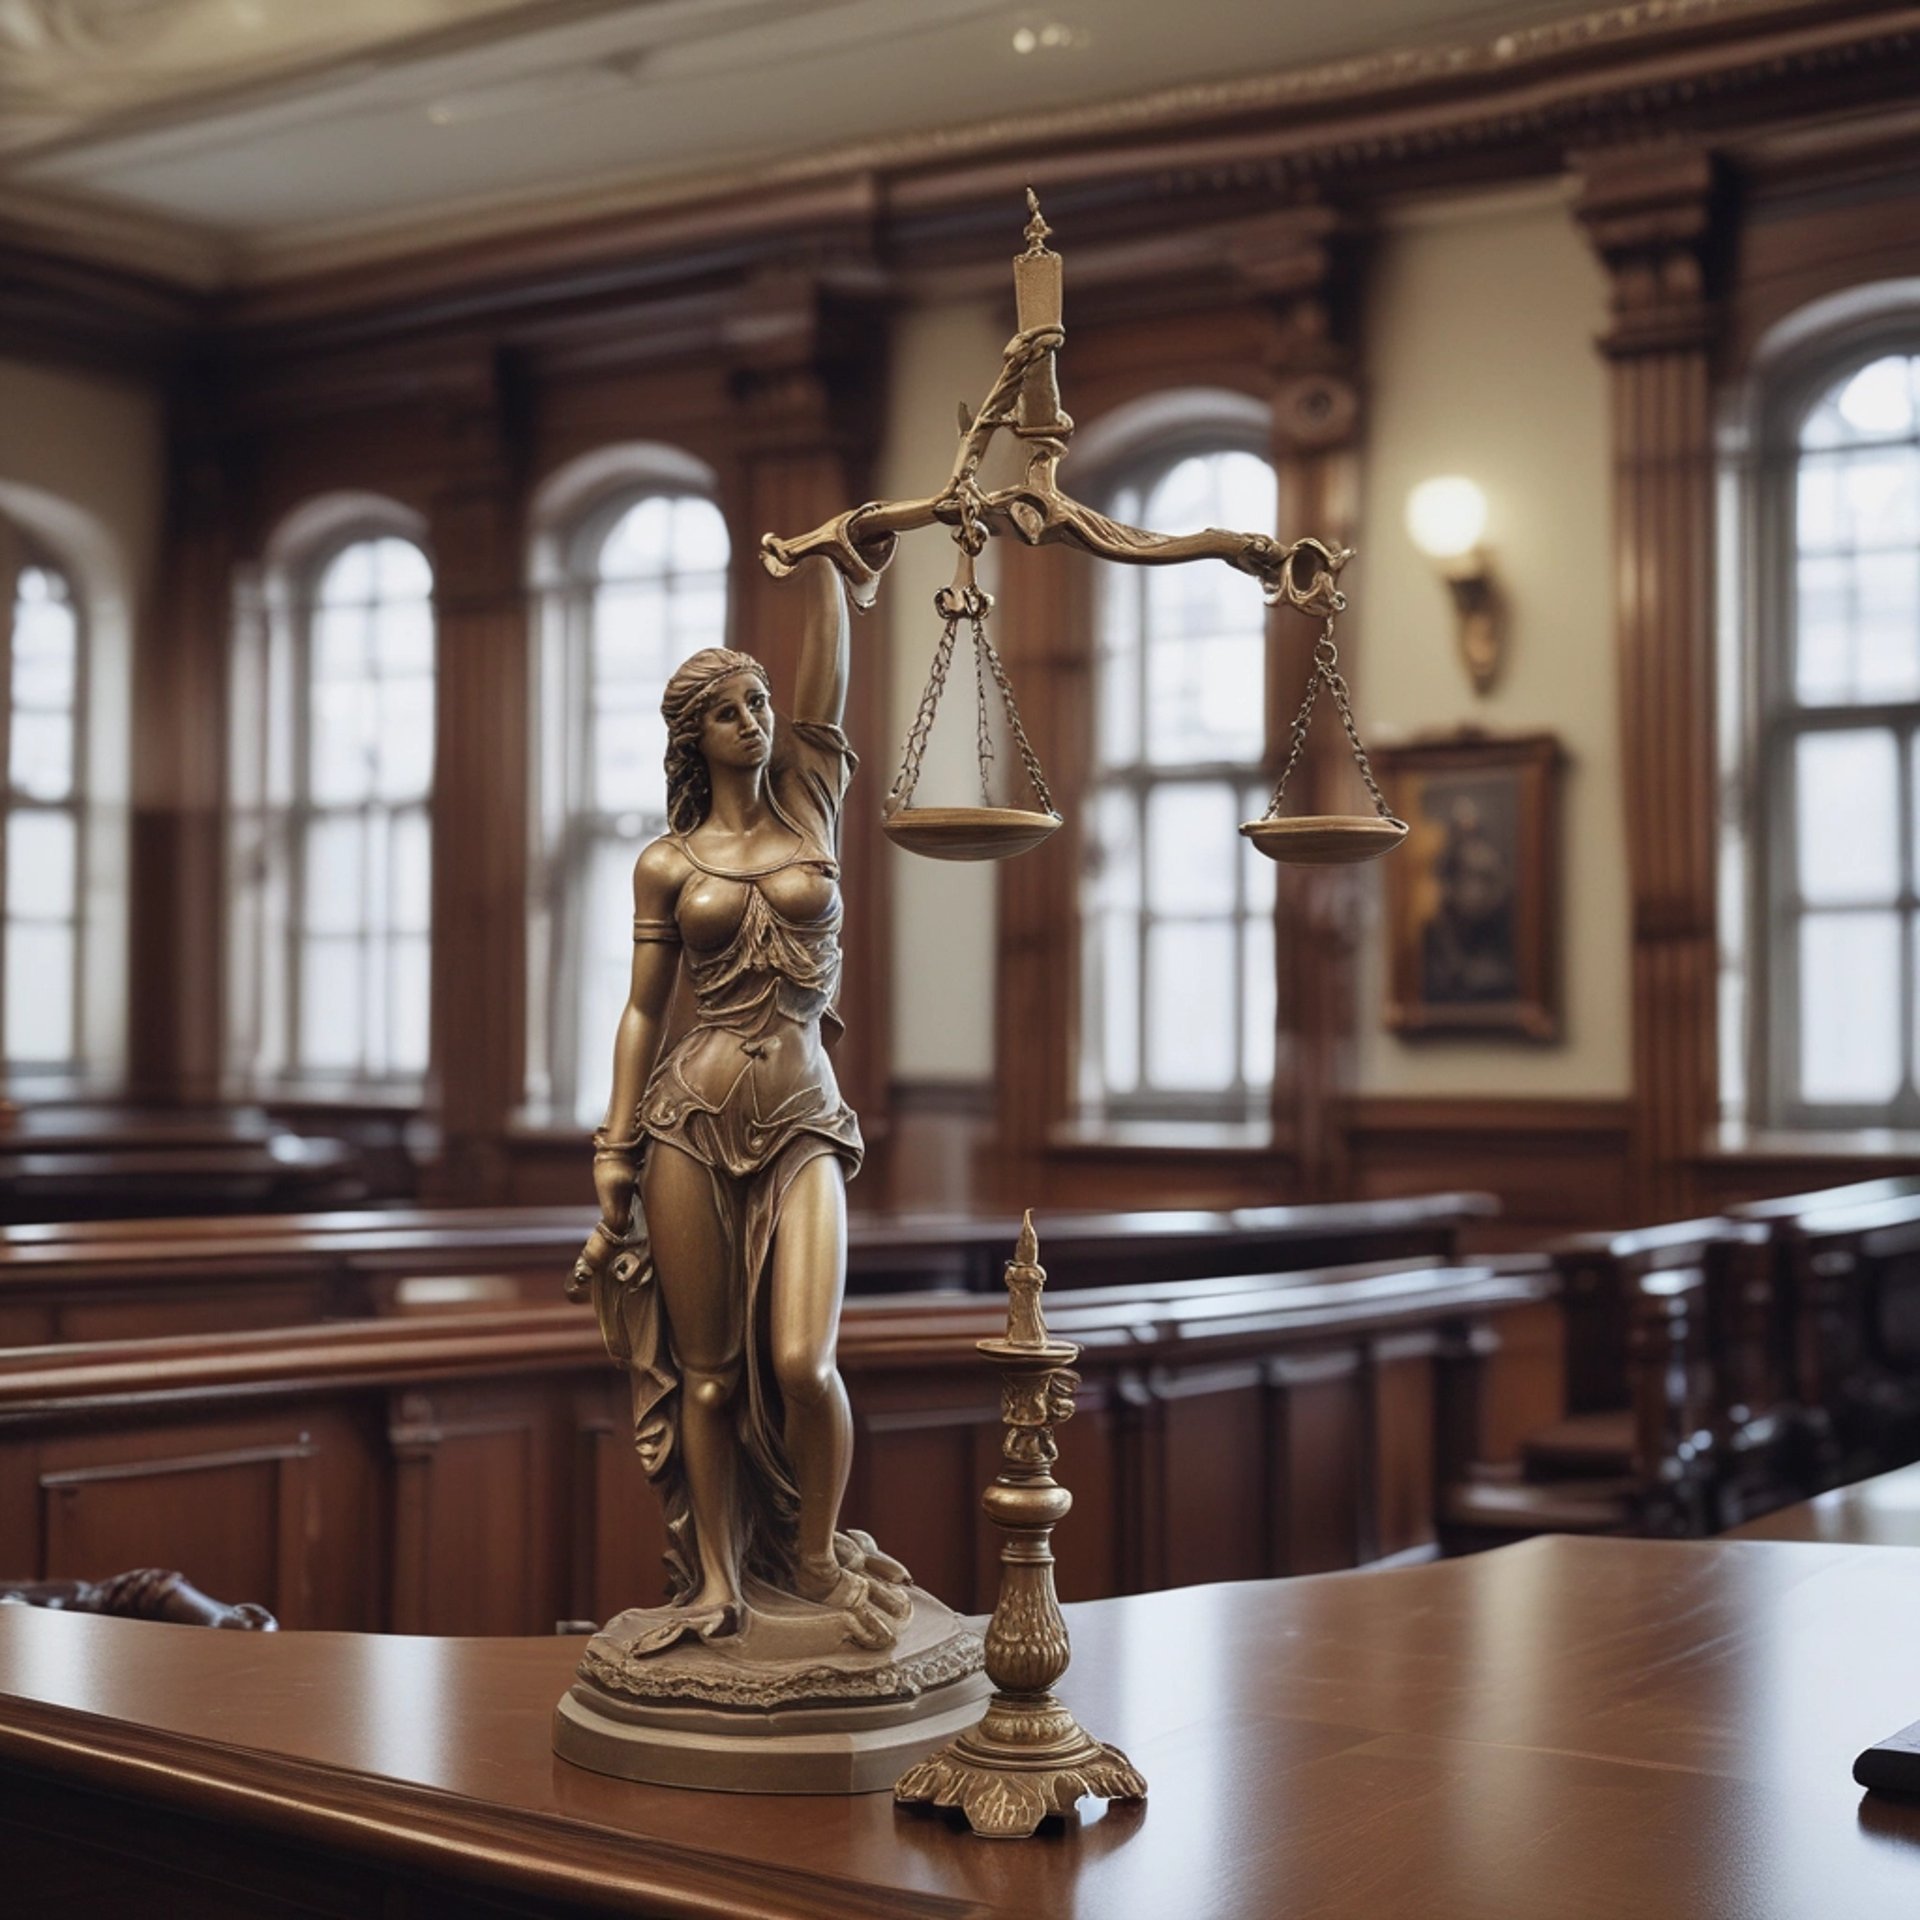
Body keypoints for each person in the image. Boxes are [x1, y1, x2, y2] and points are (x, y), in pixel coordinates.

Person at [570, 552, 911, 1658]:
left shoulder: (813, 801)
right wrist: (616, 1150)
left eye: (757, 700)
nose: (754, 720)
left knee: (806, 1362)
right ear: (694, 740)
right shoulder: (666, 864)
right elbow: (639, 1010)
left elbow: (827, 695)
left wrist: (825, 568)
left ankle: (813, 1555)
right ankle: (717, 1580)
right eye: (726, 712)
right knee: (708, 1379)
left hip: (804, 1116)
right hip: (686, 1122)